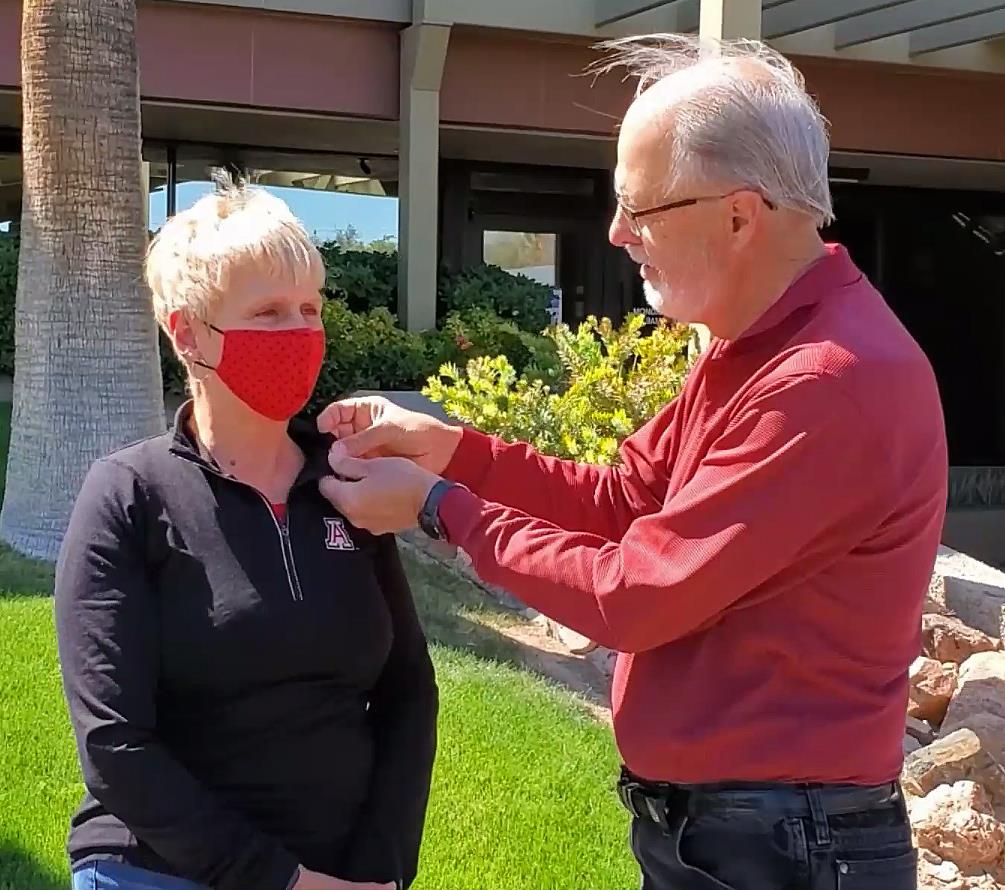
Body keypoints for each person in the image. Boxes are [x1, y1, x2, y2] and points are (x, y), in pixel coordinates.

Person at [315, 36, 946, 890]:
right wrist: (458, 452)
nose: (617, 234)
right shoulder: (759, 345)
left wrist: (438, 508)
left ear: (738, 216)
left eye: (638, 208)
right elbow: (622, 501)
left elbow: (635, 596)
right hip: (749, 833)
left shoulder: (824, 381)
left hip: (783, 844)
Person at [55, 177, 437, 890]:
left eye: (309, 309)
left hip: (345, 871)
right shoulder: (128, 494)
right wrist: (282, 881)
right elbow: (113, 741)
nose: (299, 332)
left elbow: (407, 690)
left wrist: (381, 869)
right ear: (187, 332)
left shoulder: (347, 483)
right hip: (161, 868)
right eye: (268, 312)